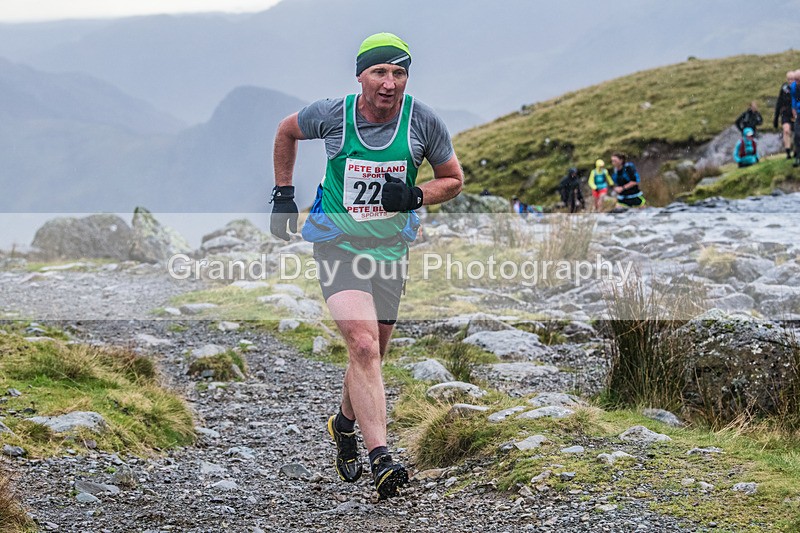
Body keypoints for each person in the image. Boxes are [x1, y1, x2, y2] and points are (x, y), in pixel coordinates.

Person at [269, 32, 463, 499]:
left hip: (390, 249)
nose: (389, 83)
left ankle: (343, 423)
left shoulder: (424, 121)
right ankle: (382, 458)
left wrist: (415, 195)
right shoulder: (333, 114)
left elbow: (453, 179)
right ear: (361, 75)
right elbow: (286, 130)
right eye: (380, 72)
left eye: (399, 73)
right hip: (337, 242)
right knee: (362, 344)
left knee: (372, 351)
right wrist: (283, 194)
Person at [773, 70, 796, 159]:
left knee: (796, 133)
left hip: (796, 113)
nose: (791, 81)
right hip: (785, 113)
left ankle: (796, 151)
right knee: (786, 130)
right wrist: (776, 117)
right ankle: (787, 152)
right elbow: (779, 102)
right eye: (789, 79)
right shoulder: (784, 88)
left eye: (792, 79)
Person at [792, 69, 800, 167]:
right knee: (797, 135)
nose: (796, 82)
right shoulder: (794, 86)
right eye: (795, 80)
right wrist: (793, 110)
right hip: (798, 112)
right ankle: (798, 156)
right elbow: (793, 98)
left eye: (798, 80)